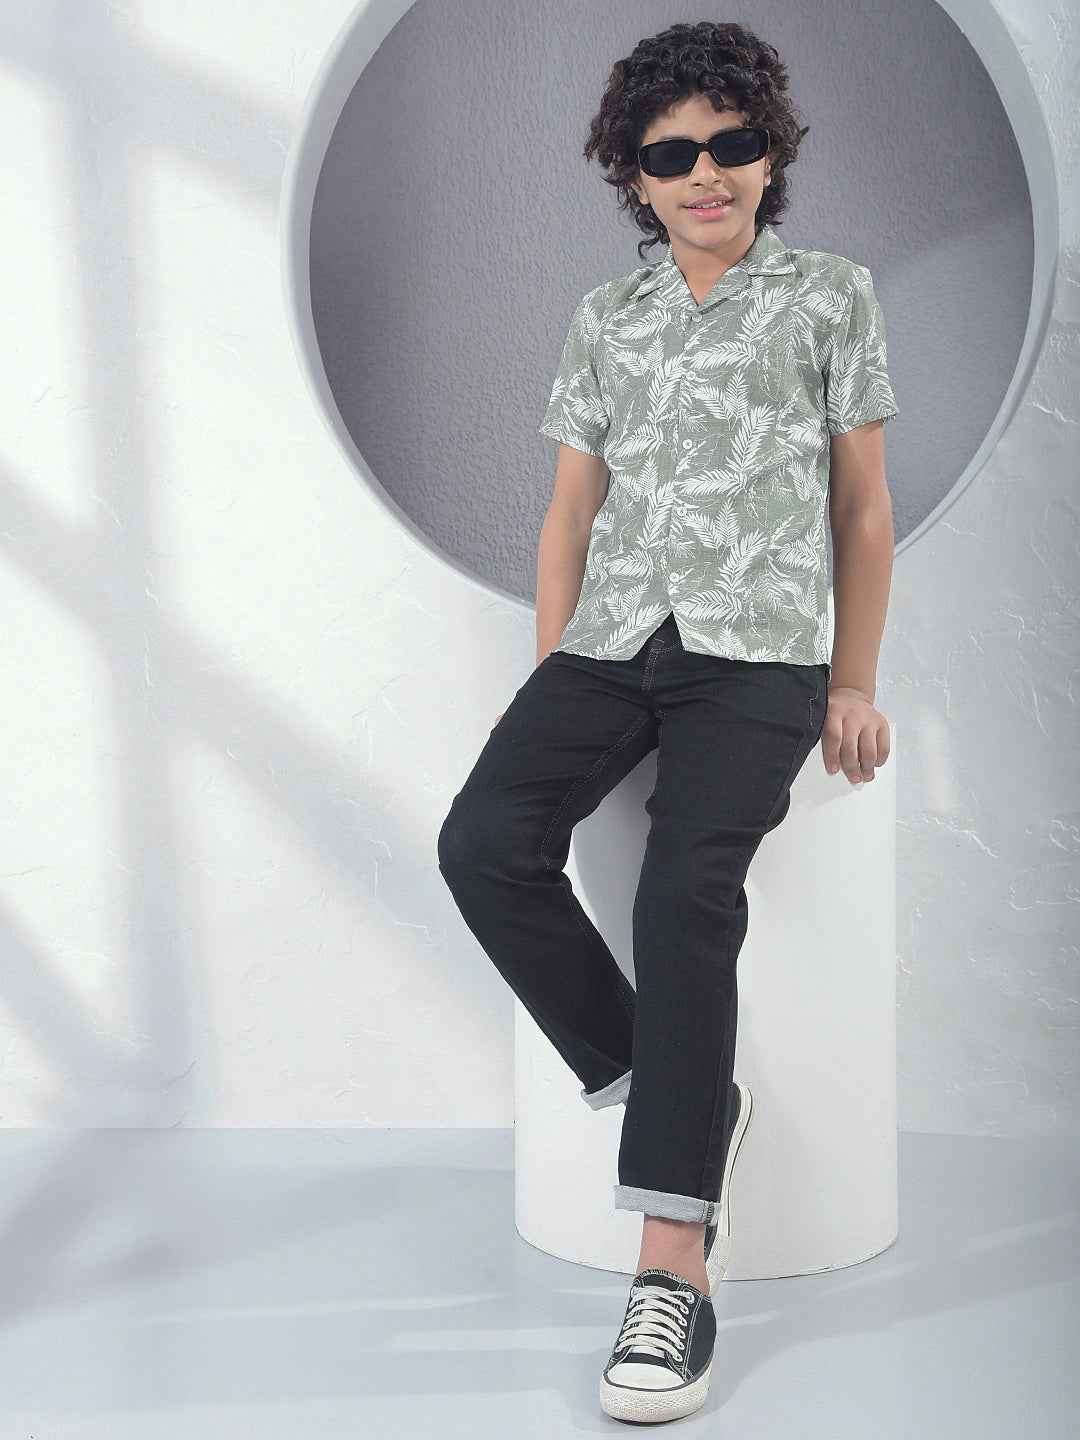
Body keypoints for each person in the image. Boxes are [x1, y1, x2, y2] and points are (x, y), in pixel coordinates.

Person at [437, 19, 898, 1424]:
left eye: (732, 145)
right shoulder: (607, 317)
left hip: (759, 656)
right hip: (612, 642)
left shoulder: (831, 297)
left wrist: (854, 681)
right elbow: (569, 514)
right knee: (483, 845)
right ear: (634, 176)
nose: (707, 174)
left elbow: (861, 508)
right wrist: (554, 669)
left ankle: (671, 1266)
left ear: (770, 154)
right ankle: (674, 1090)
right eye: (673, 155)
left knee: (687, 888)